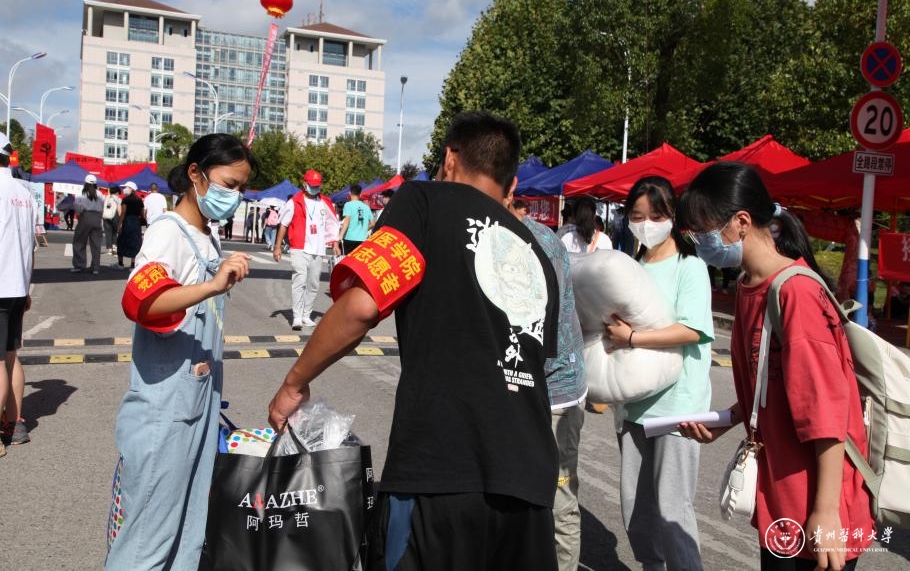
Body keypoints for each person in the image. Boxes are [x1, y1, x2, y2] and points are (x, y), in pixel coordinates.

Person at [268, 111, 560, 571]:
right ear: (511, 182)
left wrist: (294, 381)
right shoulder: (534, 251)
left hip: (440, 472)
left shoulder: (424, 200)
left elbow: (362, 305)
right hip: (531, 484)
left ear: (449, 158)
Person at [676, 162, 873, 570]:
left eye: (703, 230)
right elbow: (773, 386)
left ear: (741, 222)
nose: (699, 242)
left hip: (819, 502)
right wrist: (729, 418)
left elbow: (827, 412)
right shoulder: (749, 286)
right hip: (783, 498)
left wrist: (826, 511)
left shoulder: (795, 293)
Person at [105, 133, 255, 570]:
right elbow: (141, 300)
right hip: (166, 408)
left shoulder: (205, 236)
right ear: (196, 174)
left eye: (242, 188)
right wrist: (211, 285)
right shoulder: (168, 232)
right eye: (229, 184)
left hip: (198, 402)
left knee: (188, 528)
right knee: (148, 540)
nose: (235, 196)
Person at [603, 175, 714, 571]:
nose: (646, 224)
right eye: (637, 216)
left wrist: (633, 338)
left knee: (671, 508)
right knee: (636, 507)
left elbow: (692, 330)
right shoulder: (631, 266)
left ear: (673, 217)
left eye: (655, 215)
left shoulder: (690, 267)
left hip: (677, 407)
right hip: (634, 403)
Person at [507, 194, 586, 571]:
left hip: (556, 389)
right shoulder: (491, 236)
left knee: (558, 498)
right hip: (519, 386)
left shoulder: (537, 243)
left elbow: (540, 328)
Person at [0, 132, 37, 455]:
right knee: (11, 356)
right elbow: (31, 246)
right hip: (17, 286)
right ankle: (15, 425)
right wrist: (26, 286)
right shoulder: (25, 192)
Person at [273, 170, 340, 330]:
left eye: (317, 186)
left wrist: (335, 243)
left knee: (313, 284)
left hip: (318, 249)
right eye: (312, 185)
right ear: (304, 184)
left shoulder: (325, 202)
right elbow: (283, 224)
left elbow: (332, 223)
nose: (315, 188)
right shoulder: (294, 202)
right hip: (299, 248)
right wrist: (277, 246)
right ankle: (297, 316)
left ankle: (306, 314)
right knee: (299, 281)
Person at [71, 174, 106, 275]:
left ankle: (79, 265)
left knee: (79, 242)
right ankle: (95, 268)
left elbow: (77, 207)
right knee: (96, 244)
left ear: (85, 183)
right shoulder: (100, 194)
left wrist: (79, 217)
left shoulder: (82, 193)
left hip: (85, 217)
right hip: (97, 218)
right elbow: (102, 207)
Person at [116, 182, 144, 270]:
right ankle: (133, 264)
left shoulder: (125, 199)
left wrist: (119, 225)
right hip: (136, 222)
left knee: (121, 241)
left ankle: (120, 263)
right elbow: (142, 213)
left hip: (127, 221)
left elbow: (123, 213)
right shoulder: (139, 200)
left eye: (126, 187)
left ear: (131, 188)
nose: (124, 189)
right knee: (135, 242)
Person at [339, 183, 373, 254]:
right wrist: (363, 230)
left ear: (349, 193)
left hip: (349, 238)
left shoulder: (348, 205)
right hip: (362, 239)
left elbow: (347, 220)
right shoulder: (366, 207)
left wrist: (340, 235)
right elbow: (372, 223)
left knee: (348, 259)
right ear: (360, 194)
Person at [103, 186, 121, 255]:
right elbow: (119, 209)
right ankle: (114, 247)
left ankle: (109, 249)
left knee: (108, 233)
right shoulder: (118, 199)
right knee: (114, 232)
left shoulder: (106, 197)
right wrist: (121, 219)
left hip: (106, 216)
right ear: (117, 192)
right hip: (115, 216)